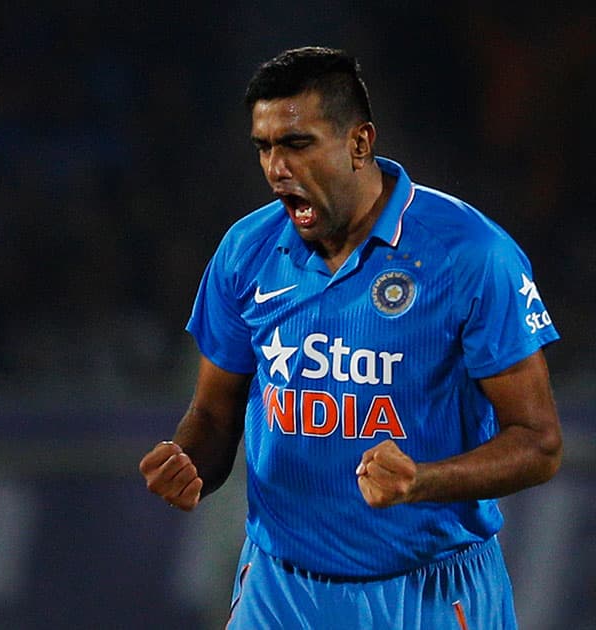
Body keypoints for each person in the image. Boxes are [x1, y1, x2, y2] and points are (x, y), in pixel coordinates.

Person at [139, 46, 563, 629]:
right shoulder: (246, 251)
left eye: (297, 144)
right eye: (264, 147)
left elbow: (538, 443)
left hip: (429, 594)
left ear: (359, 143)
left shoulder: (470, 256)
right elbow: (214, 416)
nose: (276, 169)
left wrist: (422, 481)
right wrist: (189, 461)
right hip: (279, 592)